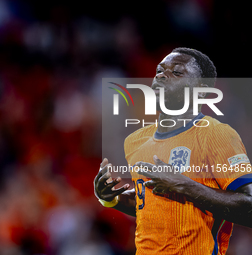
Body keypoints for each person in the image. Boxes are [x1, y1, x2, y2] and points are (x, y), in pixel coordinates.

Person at [94, 47, 252, 255]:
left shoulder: (217, 134)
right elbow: (151, 205)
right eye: (159, 70)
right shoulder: (134, 141)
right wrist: (111, 198)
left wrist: (185, 185)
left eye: (177, 72)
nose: (161, 75)